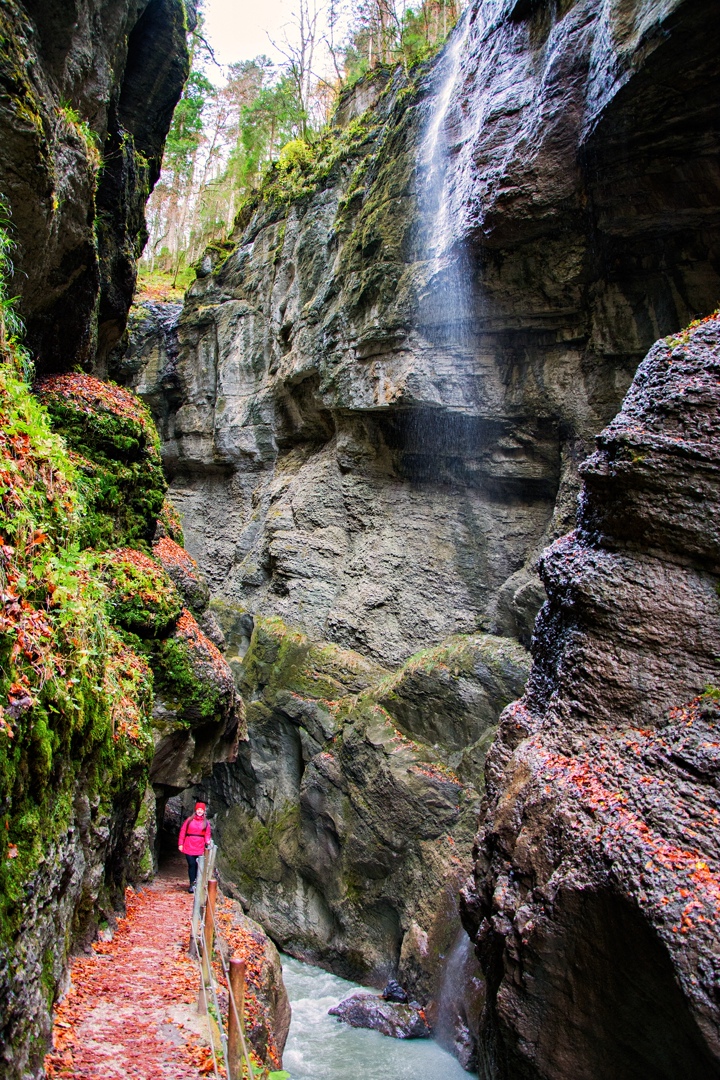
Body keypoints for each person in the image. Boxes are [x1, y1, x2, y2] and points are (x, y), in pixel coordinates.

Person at [178, 801, 212, 893]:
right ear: (196, 810)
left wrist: (207, 841)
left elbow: (207, 834)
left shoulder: (206, 822)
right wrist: (180, 844)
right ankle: (192, 883)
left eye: (201, 810)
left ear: (204, 811)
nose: (200, 811)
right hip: (189, 845)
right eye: (198, 809)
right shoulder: (189, 820)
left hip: (199, 846)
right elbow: (183, 831)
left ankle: (196, 883)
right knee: (191, 864)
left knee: (198, 865)